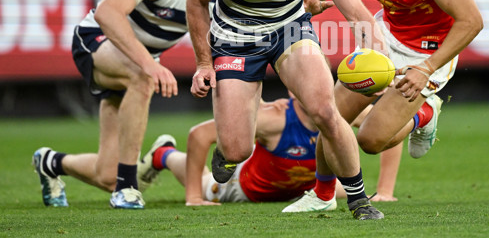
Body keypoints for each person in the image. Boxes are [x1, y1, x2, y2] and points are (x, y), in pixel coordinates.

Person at [185, 0, 387, 220]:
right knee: (237, 147)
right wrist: (204, 62)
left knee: (325, 110)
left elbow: (355, 8)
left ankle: (358, 200)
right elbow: (195, 2)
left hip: (289, 29)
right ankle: (226, 154)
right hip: (235, 39)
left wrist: (379, 51)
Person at [286, 0, 483, 211]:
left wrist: (426, 68)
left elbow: (472, 21)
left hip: (430, 50)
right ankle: (321, 196)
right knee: (328, 114)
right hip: (386, 37)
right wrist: (309, 0)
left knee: (371, 141)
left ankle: (425, 114)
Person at [31, 0, 234, 209]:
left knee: (106, 173)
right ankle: (127, 189)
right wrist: (150, 64)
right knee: (142, 77)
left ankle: (50, 163)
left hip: (135, 60)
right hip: (97, 40)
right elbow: (107, 13)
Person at [136, 94, 403, 206]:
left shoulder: (339, 111)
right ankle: (164, 154)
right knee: (208, 182)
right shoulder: (275, 118)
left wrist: (386, 192)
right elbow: (199, 135)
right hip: (243, 189)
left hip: (302, 187)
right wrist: (193, 197)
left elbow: (389, 129)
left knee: (354, 188)